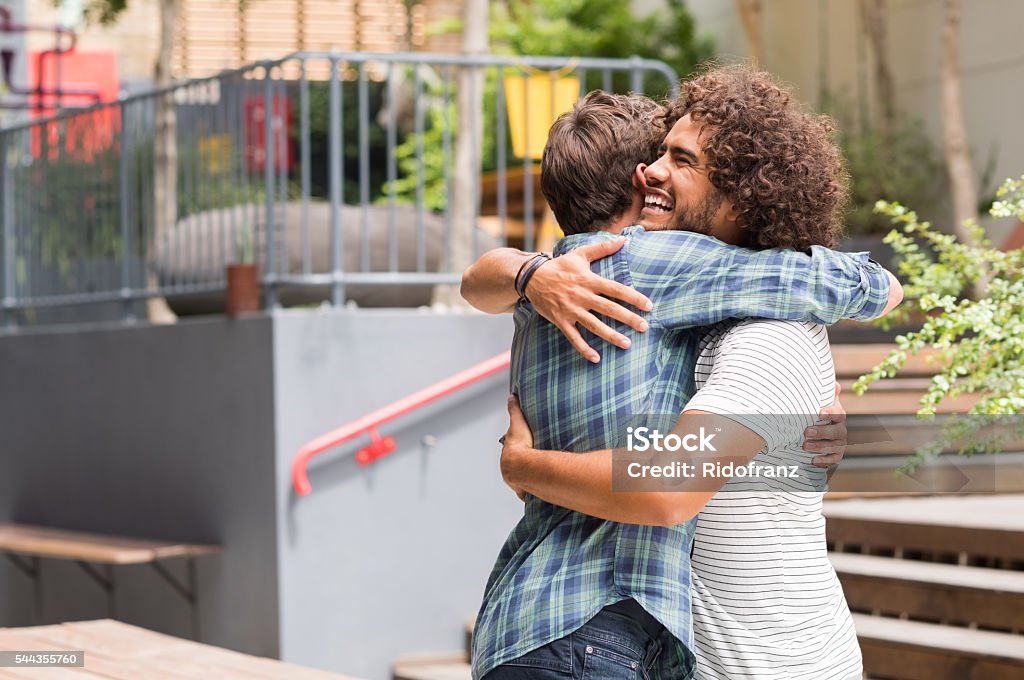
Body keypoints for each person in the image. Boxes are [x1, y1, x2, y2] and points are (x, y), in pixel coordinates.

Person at [462, 68, 901, 680]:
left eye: (681, 160)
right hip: (622, 639)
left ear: (745, 195)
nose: (654, 174)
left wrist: (526, 466)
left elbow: (668, 487)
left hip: (770, 664)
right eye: (654, 158)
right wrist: (528, 272)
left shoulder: (769, 337)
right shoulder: (644, 300)